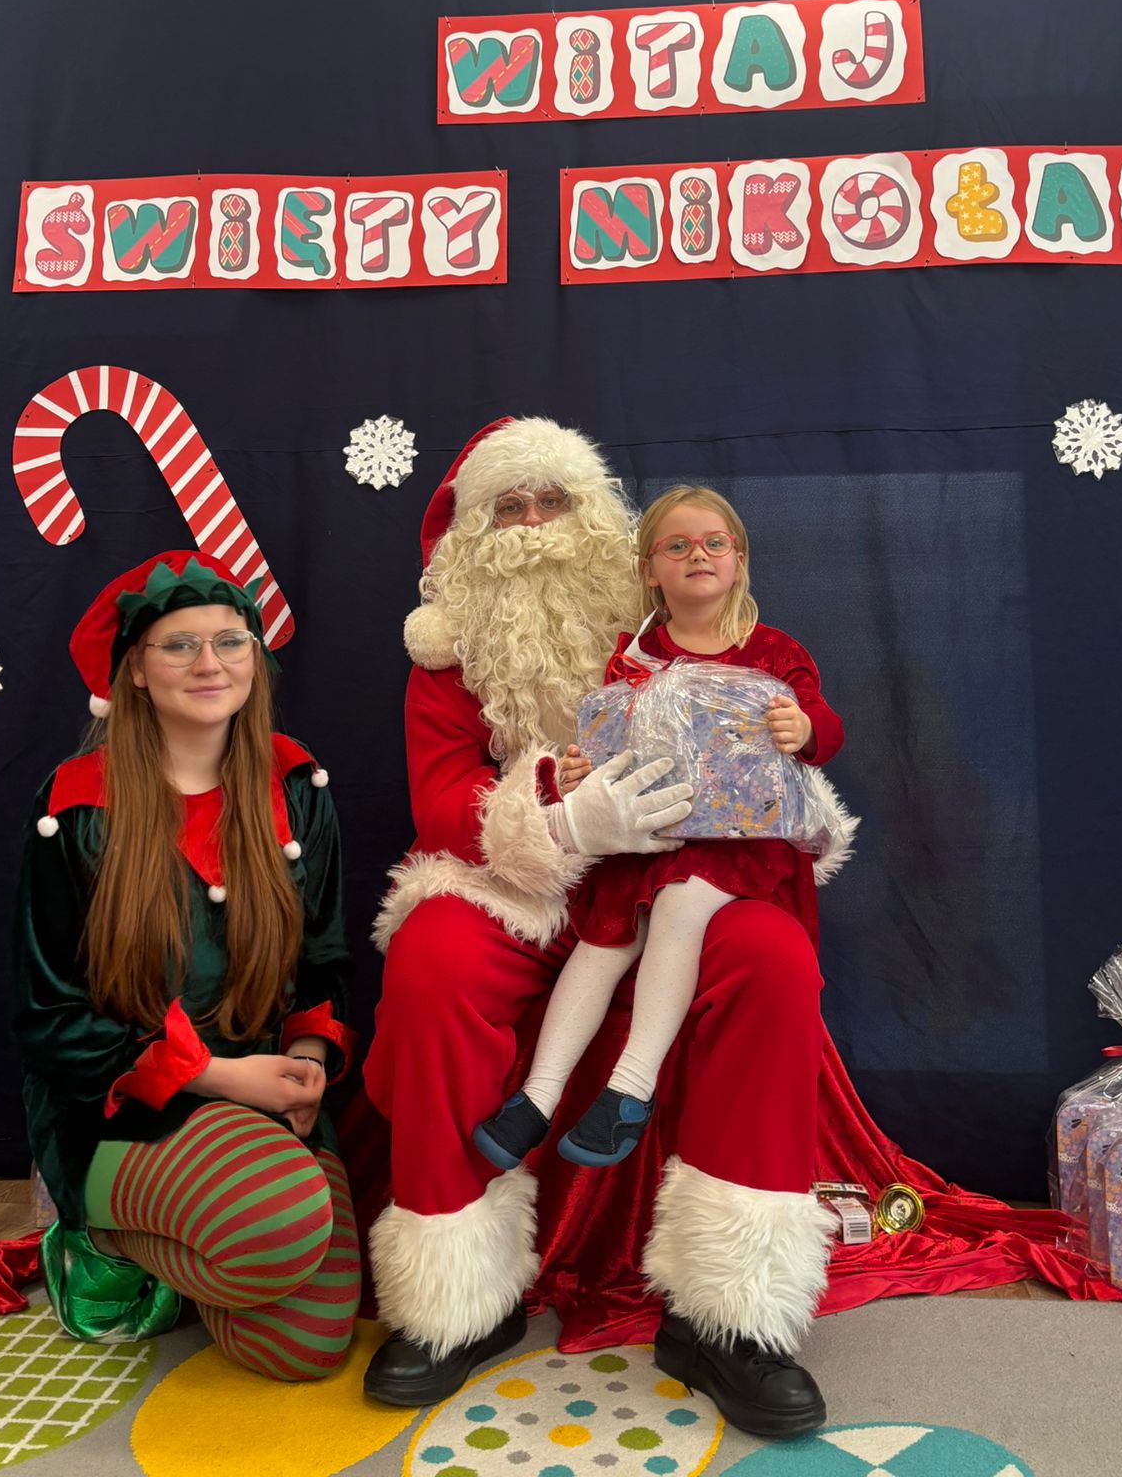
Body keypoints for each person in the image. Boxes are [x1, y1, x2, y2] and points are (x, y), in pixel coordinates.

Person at [360, 420, 856, 1437]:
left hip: (668, 874)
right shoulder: (447, 653)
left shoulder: (661, 613)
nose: (534, 525)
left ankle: (726, 1316)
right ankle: (458, 1303)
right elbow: (440, 798)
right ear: (469, 536)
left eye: (555, 501)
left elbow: (765, 729)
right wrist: (563, 817)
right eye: (509, 508)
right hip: (519, 882)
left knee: (770, 956)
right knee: (431, 957)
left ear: (599, 520)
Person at [12, 550, 360, 1381]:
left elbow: (324, 957)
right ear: (135, 669)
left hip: (266, 1090)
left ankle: (214, 1242)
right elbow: (50, 1020)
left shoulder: (296, 784)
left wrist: (306, 1059)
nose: (210, 663)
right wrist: (219, 1079)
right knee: (279, 1228)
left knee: (307, 1349)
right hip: (130, 1106)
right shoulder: (76, 806)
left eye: (230, 641)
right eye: (179, 645)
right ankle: (107, 1237)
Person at [474, 485, 842, 1173]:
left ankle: (629, 1091)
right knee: (603, 935)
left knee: (678, 905)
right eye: (677, 546)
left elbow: (825, 729)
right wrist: (584, 772)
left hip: (740, 846)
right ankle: (537, 1097)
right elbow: (615, 738)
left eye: (713, 543)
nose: (697, 554)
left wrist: (804, 727)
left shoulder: (772, 651)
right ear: (650, 569)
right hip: (653, 835)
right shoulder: (634, 656)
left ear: (738, 559)